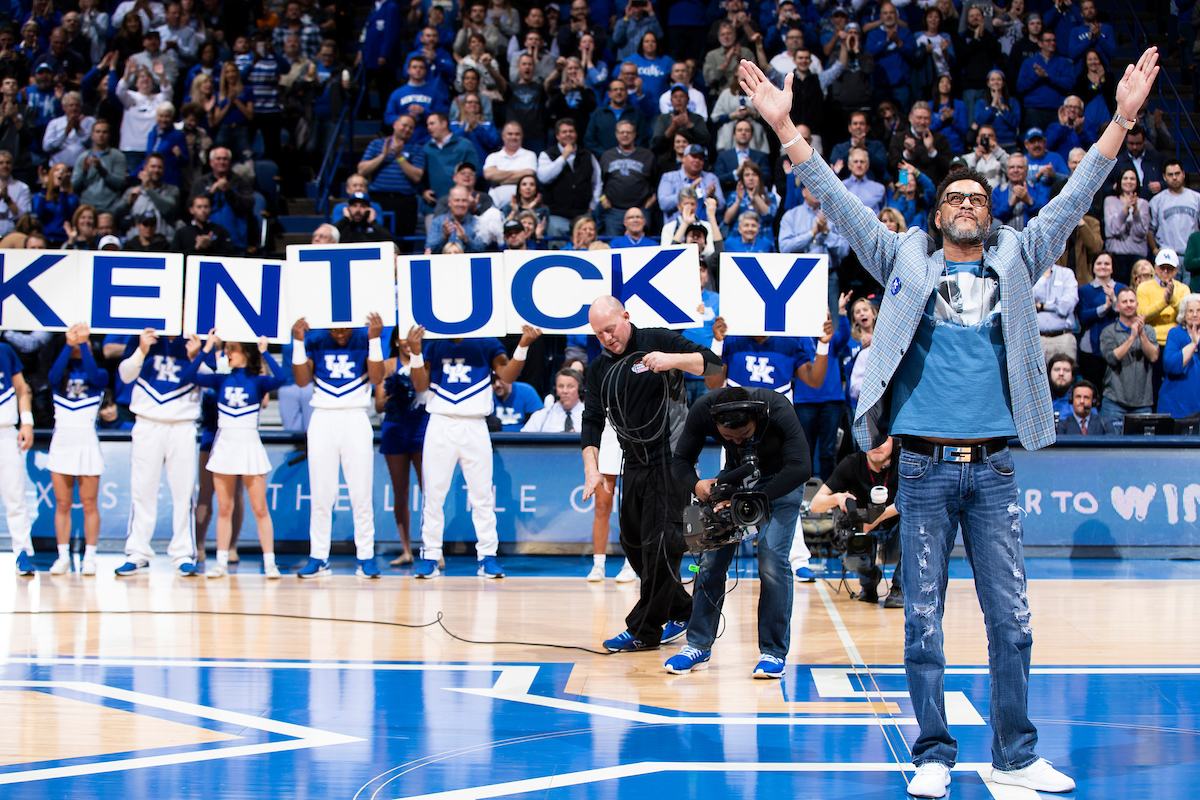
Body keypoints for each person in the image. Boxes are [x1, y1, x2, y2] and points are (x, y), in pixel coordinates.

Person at [737, 44, 1160, 796]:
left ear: (990, 216)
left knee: (1014, 624)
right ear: (936, 215)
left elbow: (1075, 196)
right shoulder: (902, 258)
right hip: (923, 470)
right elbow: (837, 199)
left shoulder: (1019, 258)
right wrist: (786, 128)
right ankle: (933, 752)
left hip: (993, 468)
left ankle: (1017, 752)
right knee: (922, 625)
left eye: (978, 198)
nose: (967, 203)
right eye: (955, 197)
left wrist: (1123, 119)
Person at [581, 296, 723, 652]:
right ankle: (682, 607)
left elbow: (713, 364)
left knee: (661, 545)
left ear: (626, 317)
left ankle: (643, 630)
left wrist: (671, 360)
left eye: (610, 330)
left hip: (671, 458)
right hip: (634, 460)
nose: (607, 338)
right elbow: (592, 421)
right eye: (599, 334)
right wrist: (591, 469)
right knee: (632, 542)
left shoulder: (659, 340)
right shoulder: (600, 368)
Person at [664, 385, 812, 677]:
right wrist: (696, 484)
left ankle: (772, 652)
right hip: (738, 479)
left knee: (771, 562)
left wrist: (752, 499)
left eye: (744, 436)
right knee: (710, 559)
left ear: (757, 418)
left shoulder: (778, 407)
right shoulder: (702, 410)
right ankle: (698, 645)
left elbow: (802, 466)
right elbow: (679, 462)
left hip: (783, 480)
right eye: (728, 438)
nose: (737, 441)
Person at [407, 324, 542, 579]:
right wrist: (415, 352)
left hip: (475, 423)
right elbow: (420, 385)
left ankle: (487, 556)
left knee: (482, 495)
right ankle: (431, 555)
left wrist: (523, 345)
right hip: (440, 421)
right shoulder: (434, 341)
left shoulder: (486, 341)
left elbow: (507, 375)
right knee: (433, 495)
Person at [181, 333, 286, 578]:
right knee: (225, 507)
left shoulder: (259, 382)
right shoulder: (221, 380)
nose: (227, 352)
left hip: (249, 444)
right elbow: (189, 376)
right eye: (226, 348)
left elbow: (281, 378)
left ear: (246, 353)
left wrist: (265, 352)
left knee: (260, 508)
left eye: (232, 348)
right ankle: (220, 562)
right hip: (225, 444)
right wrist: (206, 349)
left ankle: (270, 562)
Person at [291, 313, 386, 579]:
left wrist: (375, 340)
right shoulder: (316, 339)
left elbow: (377, 378)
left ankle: (365, 556)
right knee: (321, 494)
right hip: (322, 415)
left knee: (361, 494)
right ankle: (319, 556)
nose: (340, 332)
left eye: (345, 327)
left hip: (356, 416)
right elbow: (301, 380)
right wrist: (298, 342)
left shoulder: (365, 336)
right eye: (335, 328)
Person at [114, 326, 206, 576]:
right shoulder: (143, 335)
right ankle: (137, 551)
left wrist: (197, 356)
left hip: (182, 424)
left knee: (184, 492)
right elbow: (124, 375)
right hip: (147, 421)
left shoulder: (198, 338)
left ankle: (183, 553)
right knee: (142, 489)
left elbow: (211, 382)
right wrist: (142, 351)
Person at [808, 436, 903, 607]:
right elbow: (815, 504)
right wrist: (838, 498)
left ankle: (899, 587)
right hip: (862, 533)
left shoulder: (904, 462)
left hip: (895, 532)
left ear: (894, 442)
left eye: (883, 441)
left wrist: (878, 517)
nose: (877, 446)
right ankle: (869, 583)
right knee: (853, 550)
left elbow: (911, 500)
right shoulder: (852, 463)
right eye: (872, 441)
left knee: (917, 525)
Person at [48, 327, 106, 573]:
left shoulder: (99, 375)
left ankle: (90, 556)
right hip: (62, 439)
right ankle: (63, 556)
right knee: (62, 503)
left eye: (86, 344)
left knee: (89, 502)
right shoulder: (60, 377)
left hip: (86, 440)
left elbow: (94, 375)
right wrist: (68, 344)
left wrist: (83, 344)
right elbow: (52, 376)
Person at [375, 328, 428, 567]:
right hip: (395, 430)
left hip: (421, 429)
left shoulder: (425, 363)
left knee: (430, 491)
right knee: (401, 492)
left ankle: (433, 548)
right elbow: (378, 404)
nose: (408, 344)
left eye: (413, 340)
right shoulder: (387, 365)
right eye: (404, 340)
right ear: (396, 340)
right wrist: (396, 393)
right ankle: (406, 550)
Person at [0, 329, 33, 575]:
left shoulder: (6, 351)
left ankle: (22, 552)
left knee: (15, 497)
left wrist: (27, 422)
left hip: (5, 431)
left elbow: (22, 389)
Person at [1100, 286, 1158, 423]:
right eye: (1124, 302)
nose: (1129, 304)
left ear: (1137, 305)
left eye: (1132, 301)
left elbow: (1154, 356)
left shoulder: (1148, 331)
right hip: (1114, 402)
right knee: (1110, 444)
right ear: (1118, 306)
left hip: (1143, 404)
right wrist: (1132, 338)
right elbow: (1112, 358)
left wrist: (1141, 333)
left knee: (1144, 445)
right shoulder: (1108, 332)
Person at [597, 119, 655, 236]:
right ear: (616, 134)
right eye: (622, 132)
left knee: (643, 248)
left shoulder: (647, 155)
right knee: (613, 248)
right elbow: (599, 183)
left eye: (628, 132)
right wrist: (602, 198)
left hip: (640, 210)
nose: (625, 135)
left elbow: (655, 181)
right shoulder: (607, 156)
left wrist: (653, 198)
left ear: (634, 134)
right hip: (614, 212)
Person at [1076, 252, 1125, 388]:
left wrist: (1114, 301)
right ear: (1093, 267)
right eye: (1099, 263)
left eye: (1107, 264)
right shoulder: (1084, 290)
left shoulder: (1121, 289)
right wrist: (1105, 307)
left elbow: (1128, 313)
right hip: (1091, 347)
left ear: (1112, 268)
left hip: (1117, 345)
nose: (1103, 266)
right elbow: (1083, 316)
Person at [1149, 159, 1200, 283]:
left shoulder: (1197, 198)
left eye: (1177, 173)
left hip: (1190, 256)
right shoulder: (1157, 201)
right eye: (1170, 175)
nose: (1174, 178)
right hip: (1167, 257)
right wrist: (1156, 251)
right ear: (1164, 177)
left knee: (1190, 296)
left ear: (1183, 174)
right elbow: (1149, 230)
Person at [1104, 167, 1151, 283]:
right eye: (1125, 178)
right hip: (1116, 256)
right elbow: (1114, 230)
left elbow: (1141, 232)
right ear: (1119, 181)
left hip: (1137, 256)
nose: (1129, 181)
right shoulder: (1110, 201)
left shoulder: (1143, 204)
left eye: (1132, 179)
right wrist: (1126, 208)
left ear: (1137, 182)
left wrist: (1135, 212)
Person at [70, 116, 125, 214]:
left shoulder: (118, 156)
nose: (101, 135)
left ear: (109, 135)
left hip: (110, 208)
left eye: (104, 132)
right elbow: (74, 187)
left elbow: (120, 183)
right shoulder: (83, 157)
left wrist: (101, 169)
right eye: (98, 132)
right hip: (87, 208)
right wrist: (84, 172)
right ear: (92, 135)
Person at [1159, 292, 1200, 418]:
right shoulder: (1175, 333)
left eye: (1199, 310)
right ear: (1184, 313)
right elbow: (1170, 365)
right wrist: (1193, 344)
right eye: (1190, 311)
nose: (1195, 314)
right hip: (1176, 404)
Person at [1033, 261, 1079, 361]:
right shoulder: (1030, 274)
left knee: (1065, 375)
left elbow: (1067, 305)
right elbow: (1027, 300)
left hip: (1063, 338)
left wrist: (1043, 306)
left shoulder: (1066, 274)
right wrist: (1043, 278)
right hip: (1036, 339)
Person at [522, 367, 584, 432]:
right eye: (561, 386)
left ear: (580, 390)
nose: (565, 391)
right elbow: (523, 440)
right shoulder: (541, 416)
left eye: (570, 386)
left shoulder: (592, 416)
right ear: (555, 390)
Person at [1047, 353, 1076, 420]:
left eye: (1066, 370)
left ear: (1073, 376)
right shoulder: (1039, 398)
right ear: (1049, 374)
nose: (1061, 374)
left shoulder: (1080, 399)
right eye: (1057, 369)